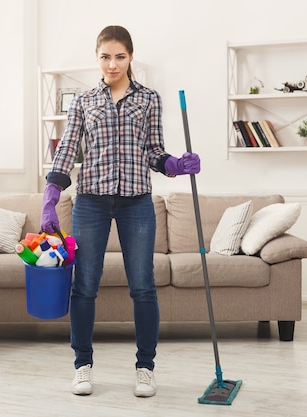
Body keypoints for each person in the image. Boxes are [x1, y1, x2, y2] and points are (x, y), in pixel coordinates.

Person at [40, 25, 200, 398]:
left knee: (143, 287)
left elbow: (154, 151)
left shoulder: (149, 99)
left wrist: (175, 164)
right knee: (84, 288)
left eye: (120, 56)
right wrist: (51, 193)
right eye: (105, 57)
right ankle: (82, 365)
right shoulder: (82, 101)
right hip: (91, 202)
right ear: (97, 58)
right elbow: (67, 151)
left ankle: (145, 368)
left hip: (136, 202)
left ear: (131, 57)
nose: (112, 64)